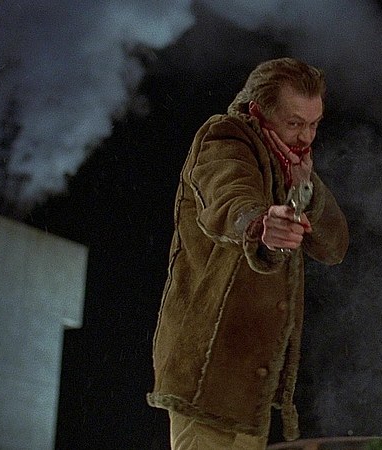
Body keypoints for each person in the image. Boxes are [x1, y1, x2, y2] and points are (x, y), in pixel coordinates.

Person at [147, 57, 349, 449]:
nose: (306, 136)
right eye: (295, 123)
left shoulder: (289, 162)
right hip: (207, 376)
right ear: (258, 112)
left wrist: (305, 189)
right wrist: (259, 226)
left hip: (247, 390)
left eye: (314, 124)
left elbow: (335, 245)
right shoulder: (224, 139)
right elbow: (228, 197)